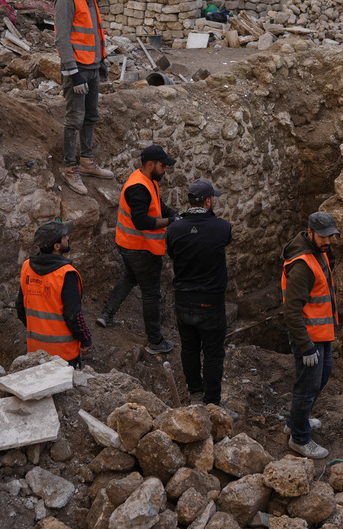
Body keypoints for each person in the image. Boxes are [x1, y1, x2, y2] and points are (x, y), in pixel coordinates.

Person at [96, 144, 180, 355]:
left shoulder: (146, 180)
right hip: (141, 248)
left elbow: (158, 205)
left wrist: (176, 215)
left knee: (130, 277)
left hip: (129, 244)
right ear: (150, 164)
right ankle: (155, 341)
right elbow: (141, 220)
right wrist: (170, 221)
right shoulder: (138, 187)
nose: (165, 169)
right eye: (163, 166)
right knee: (151, 293)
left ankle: (106, 314)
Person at [166, 179, 233, 406]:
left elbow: (172, 253)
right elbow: (224, 240)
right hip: (211, 304)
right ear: (207, 201)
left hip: (184, 301)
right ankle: (212, 403)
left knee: (190, 349)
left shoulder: (174, 228)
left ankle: (195, 393)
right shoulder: (222, 228)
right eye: (212, 198)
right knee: (213, 354)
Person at [281, 211, 340, 459]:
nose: (329, 241)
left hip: (321, 333)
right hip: (308, 337)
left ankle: (296, 421)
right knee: (307, 386)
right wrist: (305, 346)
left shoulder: (319, 252)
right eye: (324, 237)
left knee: (321, 377)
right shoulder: (303, 265)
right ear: (311, 232)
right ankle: (300, 438)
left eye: (331, 236)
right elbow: (291, 311)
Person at [55, 0, 114, 196]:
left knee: (91, 116)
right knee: (74, 119)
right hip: (77, 71)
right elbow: (62, 38)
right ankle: (70, 169)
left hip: (92, 69)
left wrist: (101, 60)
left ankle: (87, 162)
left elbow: (92, 32)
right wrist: (73, 72)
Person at [16, 220, 93, 367]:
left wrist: (37, 328)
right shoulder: (66, 274)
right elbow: (73, 316)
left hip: (36, 352)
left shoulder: (27, 267)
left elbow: (20, 307)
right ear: (57, 246)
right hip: (64, 354)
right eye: (65, 237)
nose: (68, 238)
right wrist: (86, 339)